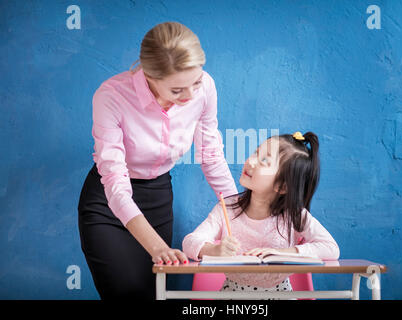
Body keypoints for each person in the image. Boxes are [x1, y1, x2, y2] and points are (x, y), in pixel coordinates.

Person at [78, 21, 237, 300]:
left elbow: (211, 154)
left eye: (196, 83)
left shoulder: (205, 88)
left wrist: (240, 213)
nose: (190, 96)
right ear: (149, 75)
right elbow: (114, 181)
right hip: (109, 202)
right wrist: (156, 246)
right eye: (177, 90)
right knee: (126, 291)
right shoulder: (111, 96)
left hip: (158, 196)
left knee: (153, 293)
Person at [182, 131, 339, 294]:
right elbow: (189, 242)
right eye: (256, 152)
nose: (251, 161)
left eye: (264, 160)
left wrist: (281, 254)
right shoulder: (227, 208)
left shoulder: (294, 215)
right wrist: (214, 251)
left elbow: (330, 248)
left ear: (283, 186)